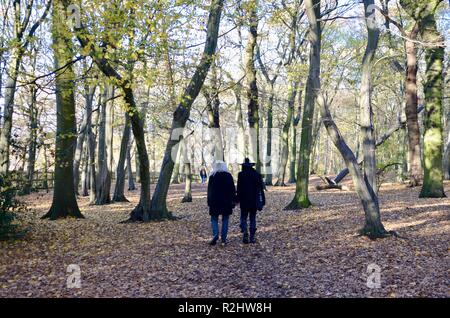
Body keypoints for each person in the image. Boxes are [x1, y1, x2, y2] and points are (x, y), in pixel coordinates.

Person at [207, 160, 236, 246]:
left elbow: (209, 191)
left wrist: (209, 201)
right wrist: (233, 200)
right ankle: (223, 239)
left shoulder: (212, 176)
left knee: (214, 219)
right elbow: (232, 190)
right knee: (225, 220)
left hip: (214, 201)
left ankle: (215, 234)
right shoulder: (228, 176)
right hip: (226, 202)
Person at [236, 158, 265, 244]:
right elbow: (260, 188)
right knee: (252, 218)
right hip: (254, 201)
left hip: (244, 200)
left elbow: (239, 188)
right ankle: (252, 237)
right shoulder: (256, 174)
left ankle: (245, 232)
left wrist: (237, 199)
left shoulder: (241, 174)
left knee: (243, 217)